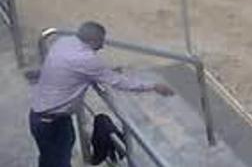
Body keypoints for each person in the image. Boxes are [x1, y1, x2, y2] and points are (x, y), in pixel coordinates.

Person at [29, 21, 174, 167]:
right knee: (57, 161)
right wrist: (153, 86)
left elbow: (81, 70)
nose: (103, 46)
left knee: (51, 157)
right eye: (101, 41)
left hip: (44, 115)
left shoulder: (64, 42)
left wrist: (104, 71)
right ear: (92, 41)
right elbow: (118, 82)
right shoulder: (87, 59)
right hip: (51, 123)